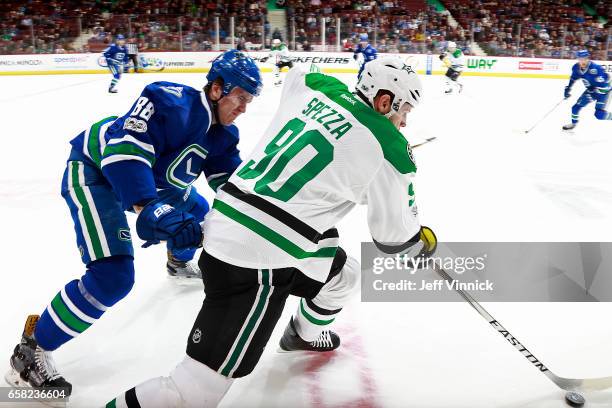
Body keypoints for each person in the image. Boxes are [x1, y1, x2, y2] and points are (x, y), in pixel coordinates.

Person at [107, 56, 437, 407]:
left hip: (231, 224)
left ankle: (304, 334)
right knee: (193, 392)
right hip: (258, 259)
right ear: (384, 101)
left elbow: (301, 69)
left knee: (345, 275)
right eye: (404, 109)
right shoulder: (392, 148)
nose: (404, 121)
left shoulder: (316, 87)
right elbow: (395, 240)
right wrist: (421, 244)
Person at [6, 50, 263, 396]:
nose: (244, 108)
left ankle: (177, 259)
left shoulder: (223, 135)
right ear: (217, 89)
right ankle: (32, 348)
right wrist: (148, 207)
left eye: (249, 100)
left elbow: (229, 186)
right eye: (240, 98)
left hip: (156, 182)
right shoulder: (168, 101)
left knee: (201, 213)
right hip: (97, 172)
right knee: (113, 276)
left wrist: (264, 209)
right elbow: (123, 154)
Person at [562, 49, 611, 130]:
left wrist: (595, 90)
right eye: (580, 59)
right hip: (591, 91)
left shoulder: (596, 69)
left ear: (588, 58)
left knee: (599, 115)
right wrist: (568, 88)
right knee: (575, 108)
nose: (582, 61)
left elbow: (606, 86)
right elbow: (573, 78)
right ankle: (573, 124)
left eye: (584, 58)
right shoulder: (576, 68)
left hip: (604, 93)